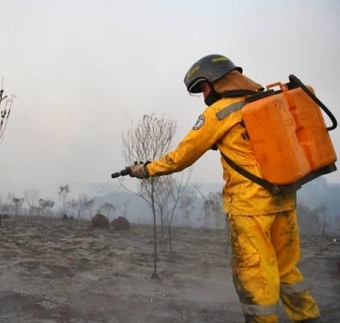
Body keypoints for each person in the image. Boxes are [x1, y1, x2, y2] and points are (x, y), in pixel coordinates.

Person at [126, 54, 320, 323]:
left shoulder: (219, 113)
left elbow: (183, 156)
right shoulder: (266, 101)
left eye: (203, 87)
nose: (203, 94)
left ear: (215, 81)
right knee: (287, 270)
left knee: (253, 275)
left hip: (250, 209)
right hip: (285, 199)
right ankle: (308, 317)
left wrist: (146, 169)